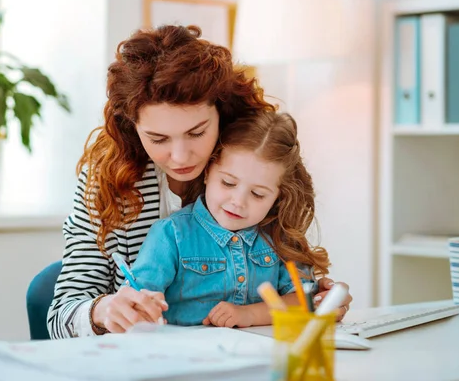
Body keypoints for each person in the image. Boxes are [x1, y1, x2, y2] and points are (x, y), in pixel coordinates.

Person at [47, 24, 352, 339]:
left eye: (196, 133)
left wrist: (320, 300)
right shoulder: (107, 181)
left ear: (221, 113)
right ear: (132, 127)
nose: (180, 157)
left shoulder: (249, 164)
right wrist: (103, 310)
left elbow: (291, 286)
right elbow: (61, 315)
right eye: (158, 138)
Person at [128, 111, 330, 327]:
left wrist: (250, 315)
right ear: (207, 172)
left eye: (258, 194)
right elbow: (136, 301)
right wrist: (143, 305)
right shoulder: (171, 234)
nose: (238, 202)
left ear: (278, 197)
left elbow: (304, 301)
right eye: (228, 183)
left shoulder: (280, 237)